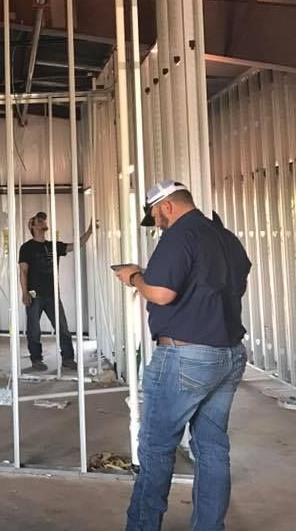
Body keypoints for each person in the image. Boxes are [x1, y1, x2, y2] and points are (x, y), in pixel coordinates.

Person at [114, 180, 250, 531]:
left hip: (185, 357)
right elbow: (238, 281)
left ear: (168, 206)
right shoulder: (224, 236)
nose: (157, 223)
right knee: (212, 449)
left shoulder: (179, 235)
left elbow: (160, 293)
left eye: (156, 216)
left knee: (156, 449)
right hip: (228, 355)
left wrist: (133, 278)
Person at [18, 210, 91, 372]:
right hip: (34, 295)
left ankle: (68, 358)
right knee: (34, 329)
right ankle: (36, 360)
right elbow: (23, 271)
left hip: (52, 295)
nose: (44, 223)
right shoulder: (26, 248)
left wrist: (90, 231)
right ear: (33, 226)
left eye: (44, 221)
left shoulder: (53, 246)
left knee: (62, 327)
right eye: (40, 221)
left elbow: (76, 245)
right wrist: (24, 293)